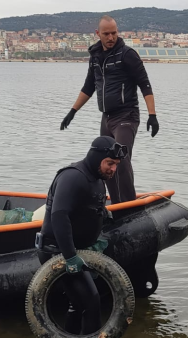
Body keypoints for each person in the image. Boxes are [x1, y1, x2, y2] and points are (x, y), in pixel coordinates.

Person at [37, 136, 129, 338]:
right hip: (57, 251)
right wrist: (69, 257)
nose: (113, 169)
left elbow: (88, 207)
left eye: (116, 165)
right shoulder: (73, 177)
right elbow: (59, 216)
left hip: (77, 249)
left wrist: (103, 216)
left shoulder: (98, 180)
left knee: (79, 304)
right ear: (97, 157)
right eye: (110, 163)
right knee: (91, 300)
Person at [60, 15, 159, 205]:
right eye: (106, 34)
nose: (111, 37)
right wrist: (72, 112)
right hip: (106, 117)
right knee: (105, 162)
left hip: (126, 115)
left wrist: (152, 115)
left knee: (120, 160)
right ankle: (115, 204)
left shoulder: (127, 55)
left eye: (114, 33)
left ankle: (129, 207)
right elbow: (89, 86)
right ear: (98, 34)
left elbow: (145, 85)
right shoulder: (95, 57)